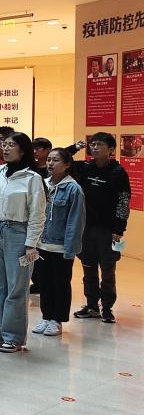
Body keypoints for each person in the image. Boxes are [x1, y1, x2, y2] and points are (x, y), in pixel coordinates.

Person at [0, 132, 47, 353]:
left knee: (16, 287)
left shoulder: (32, 178)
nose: (5, 148)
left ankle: (13, 337)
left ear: (23, 150)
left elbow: (37, 214)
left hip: (19, 232)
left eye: (11, 145)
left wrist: (31, 243)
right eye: (3, 144)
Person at [74, 132, 131, 323]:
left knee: (108, 270)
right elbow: (61, 158)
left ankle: (107, 308)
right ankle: (91, 305)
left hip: (108, 230)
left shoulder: (118, 172)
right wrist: (75, 147)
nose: (95, 148)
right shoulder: (84, 167)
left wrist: (119, 229)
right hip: (86, 228)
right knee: (88, 268)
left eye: (100, 145)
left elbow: (123, 201)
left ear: (111, 149)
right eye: (92, 144)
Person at [34, 148, 85, 336]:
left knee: (60, 284)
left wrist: (70, 249)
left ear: (67, 164)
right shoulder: (42, 184)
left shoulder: (73, 189)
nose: (50, 163)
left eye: (55, 160)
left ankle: (57, 319)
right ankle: (46, 316)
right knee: (44, 283)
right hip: (41, 244)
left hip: (61, 246)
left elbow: (75, 221)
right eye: (49, 159)